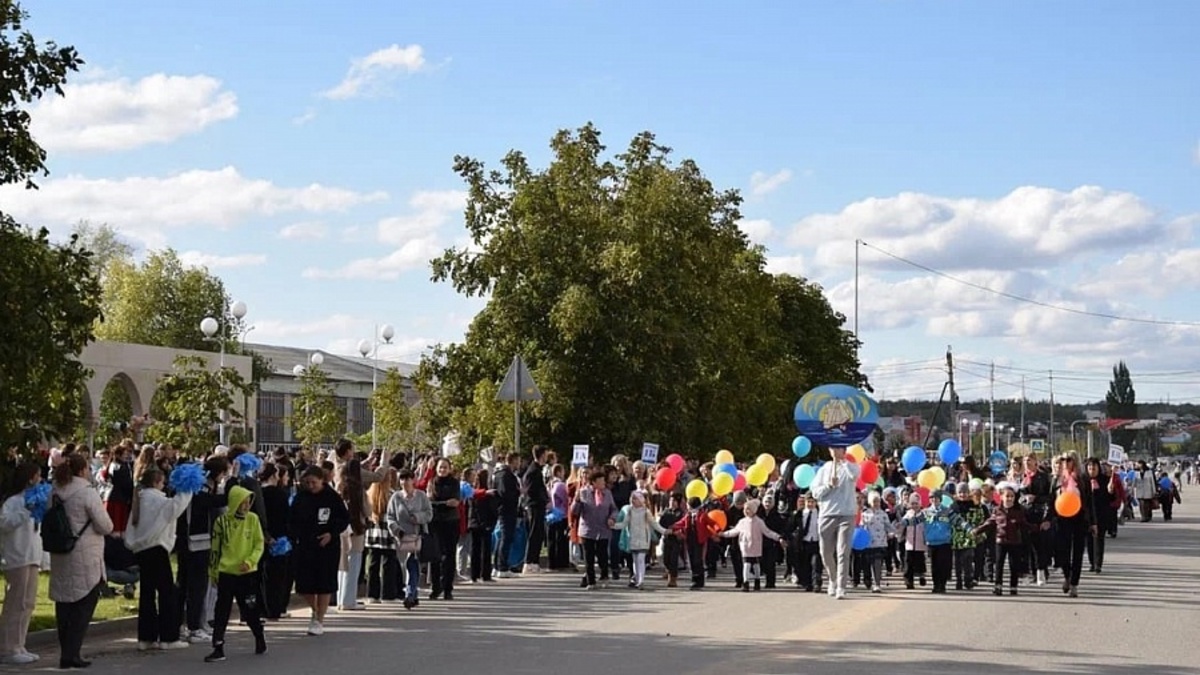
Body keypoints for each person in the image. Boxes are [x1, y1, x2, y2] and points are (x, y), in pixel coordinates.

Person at [49, 453, 114, 669]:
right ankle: (72, 653)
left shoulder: (55, 491)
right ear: (82, 470)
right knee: (84, 603)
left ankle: (66, 651)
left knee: (64, 603)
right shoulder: (87, 493)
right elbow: (106, 525)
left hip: (61, 551)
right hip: (85, 553)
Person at [123, 467, 192, 651]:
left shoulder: (141, 499)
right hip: (156, 549)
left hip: (141, 550)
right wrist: (188, 488)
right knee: (166, 593)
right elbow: (174, 507)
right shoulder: (155, 499)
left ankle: (146, 637)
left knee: (147, 594)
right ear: (156, 482)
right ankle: (169, 637)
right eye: (162, 482)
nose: (164, 486)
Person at [204, 485, 267, 662]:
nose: (246, 506)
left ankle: (259, 636)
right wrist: (213, 572)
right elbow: (215, 550)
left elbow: (259, 544)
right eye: (242, 503)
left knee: (250, 609)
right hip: (226, 572)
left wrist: (250, 561)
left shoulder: (253, 520)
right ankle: (218, 647)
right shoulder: (221, 523)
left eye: (248, 502)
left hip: (247, 574)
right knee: (221, 611)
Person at [290, 466, 349, 636]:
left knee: (324, 584)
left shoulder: (332, 497)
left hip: (327, 547)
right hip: (305, 546)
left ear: (322, 480)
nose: (310, 485)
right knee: (304, 584)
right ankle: (314, 608)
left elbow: (343, 519)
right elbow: (292, 519)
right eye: (307, 482)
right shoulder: (301, 497)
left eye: (313, 482)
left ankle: (319, 619)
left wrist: (331, 533)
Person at [0, 463, 44, 664]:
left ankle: (20, 644)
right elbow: (5, 524)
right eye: (37, 476)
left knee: (28, 603)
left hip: (32, 556)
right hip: (17, 557)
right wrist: (25, 511)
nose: (40, 480)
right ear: (29, 478)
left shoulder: (35, 500)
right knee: (15, 603)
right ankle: (8, 647)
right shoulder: (13, 501)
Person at [809, 446, 860, 599]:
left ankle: (841, 587)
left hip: (847, 514)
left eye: (837, 448)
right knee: (825, 552)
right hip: (827, 514)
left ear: (843, 450)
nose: (834, 450)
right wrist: (828, 485)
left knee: (843, 552)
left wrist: (843, 463)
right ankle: (832, 578)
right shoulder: (824, 469)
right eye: (831, 448)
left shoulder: (851, 467)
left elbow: (853, 477)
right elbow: (815, 493)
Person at [385, 469, 432, 609]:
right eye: (402, 479)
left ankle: (410, 594)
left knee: (413, 564)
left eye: (407, 479)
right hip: (402, 538)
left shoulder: (421, 496)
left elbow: (429, 514)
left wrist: (417, 517)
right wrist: (396, 530)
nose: (405, 482)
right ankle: (413, 593)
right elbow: (390, 517)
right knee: (403, 565)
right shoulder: (395, 498)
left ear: (413, 480)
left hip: (417, 536)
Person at [426, 458, 461, 601]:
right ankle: (435, 587)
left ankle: (447, 588)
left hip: (451, 522)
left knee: (449, 556)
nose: (442, 470)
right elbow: (429, 501)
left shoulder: (454, 483)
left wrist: (440, 503)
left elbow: (455, 502)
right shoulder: (432, 482)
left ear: (449, 469)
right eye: (440, 467)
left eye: (445, 467)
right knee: (435, 556)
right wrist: (444, 503)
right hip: (435, 522)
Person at [523, 445, 551, 574]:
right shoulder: (533, 471)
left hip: (538, 505)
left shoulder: (537, 470)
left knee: (538, 533)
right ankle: (529, 562)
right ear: (541, 455)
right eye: (545, 455)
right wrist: (543, 500)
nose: (547, 458)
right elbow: (531, 490)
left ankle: (534, 561)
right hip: (534, 506)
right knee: (534, 533)